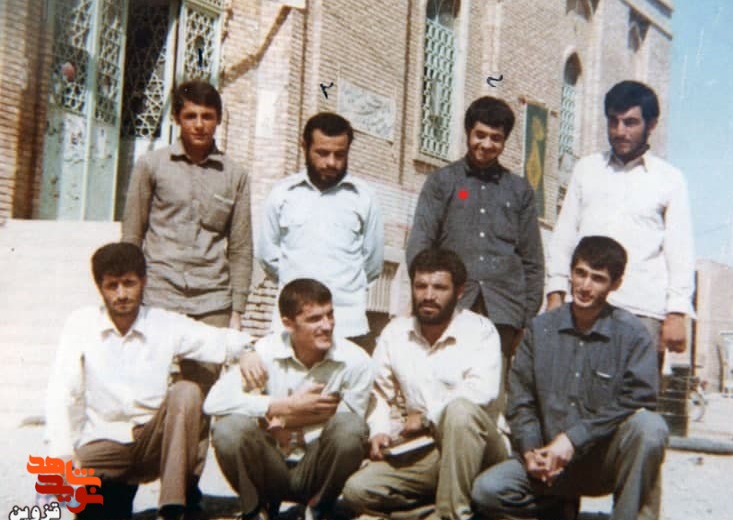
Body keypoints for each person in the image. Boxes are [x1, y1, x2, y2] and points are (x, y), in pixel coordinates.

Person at [44, 243, 255, 520]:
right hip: (106, 440)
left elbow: (216, 340)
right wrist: (62, 453)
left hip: (156, 442)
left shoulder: (162, 323)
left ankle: (171, 512)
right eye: (112, 286)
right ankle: (114, 500)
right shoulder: (81, 324)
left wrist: (247, 351)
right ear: (100, 288)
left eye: (129, 283)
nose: (121, 294)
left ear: (143, 282)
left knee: (187, 391)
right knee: (66, 487)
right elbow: (60, 391)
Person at [471, 236, 668, 520]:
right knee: (486, 490)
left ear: (615, 284)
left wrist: (574, 439)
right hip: (547, 462)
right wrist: (531, 451)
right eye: (580, 273)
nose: (585, 286)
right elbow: (521, 399)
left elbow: (638, 398)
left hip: (601, 463)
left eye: (598, 278)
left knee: (650, 428)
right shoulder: (540, 329)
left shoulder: (632, 335)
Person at [342, 248, 507, 520]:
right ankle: (447, 518)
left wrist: (427, 417)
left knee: (460, 410)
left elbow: (481, 391)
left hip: (479, 449)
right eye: (421, 286)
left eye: (439, 287)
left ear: (459, 291)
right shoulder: (396, 333)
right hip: (425, 450)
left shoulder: (481, 331)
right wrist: (379, 430)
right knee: (358, 490)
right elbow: (378, 391)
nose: (428, 295)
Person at [204, 278, 373, 520]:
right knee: (228, 428)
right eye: (314, 319)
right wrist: (282, 406)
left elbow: (348, 429)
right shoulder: (264, 351)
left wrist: (286, 424)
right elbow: (214, 401)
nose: (327, 325)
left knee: (351, 428)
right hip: (271, 462)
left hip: (316, 465)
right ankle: (255, 511)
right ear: (288, 323)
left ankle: (318, 511)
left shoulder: (354, 360)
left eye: (330, 315)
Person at [545, 80, 695, 362]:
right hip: (583, 307)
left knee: (637, 390)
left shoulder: (670, 180)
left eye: (630, 123)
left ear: (651, 125)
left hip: (642, 310)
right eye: (613, 121)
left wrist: (677, 312)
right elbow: (564, 235)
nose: (619, 131)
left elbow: (680, 252)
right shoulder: (587, 169)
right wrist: (555, 292)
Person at [406, 96, 545, 359]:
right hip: (451, 308)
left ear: (504, 141)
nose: (487, 144)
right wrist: (426, 297)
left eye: (496, 138)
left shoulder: (520, 190)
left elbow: (533, 261)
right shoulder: (442, 182)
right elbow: (420, 246)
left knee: (494, 382)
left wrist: (526, 320)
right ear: (468, 132)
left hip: (504, 312)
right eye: (480, 135)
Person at [122, 79, 252, 333]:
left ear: (219, 119)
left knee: (209, 361)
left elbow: (241, 249)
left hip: (213, 302)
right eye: (191, 116)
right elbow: (132, 236)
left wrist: (237, 311)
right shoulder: (151, 165)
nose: (199, 125)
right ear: (176, 118)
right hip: (159, 296)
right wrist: (129, 293)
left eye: (207, 116)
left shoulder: (235, 175)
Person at [255, 112, 383, 349]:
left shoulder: (364, 197)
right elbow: (267, 255)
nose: (331, 163)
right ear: (304, 147)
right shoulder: (282, 194)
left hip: (347, 328)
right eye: (322, 153)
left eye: (339, 154)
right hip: (294, 328)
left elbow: (373, 263)